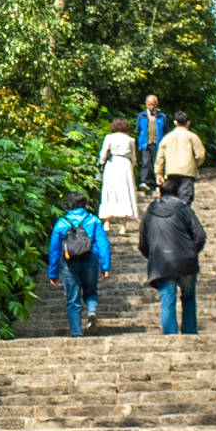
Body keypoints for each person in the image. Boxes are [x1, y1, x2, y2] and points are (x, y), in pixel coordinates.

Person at [139, 178, 207, 335]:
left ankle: (170, 335)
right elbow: (200, 235)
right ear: (177, 193)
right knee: (188, 298)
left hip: (161, 262)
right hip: (186, 261)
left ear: (160, 193)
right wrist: (191, 251)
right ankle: (189, 332)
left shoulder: (150, 212)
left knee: (167, 299)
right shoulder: (184, 209)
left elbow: (143, 241)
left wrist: (153, 256)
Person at [48, 192, 111, 337]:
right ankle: (91, 311)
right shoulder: (93, 221)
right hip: (90, 259)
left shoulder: (61, 223)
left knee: (72, 298)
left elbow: (54, 249)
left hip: (69, 262)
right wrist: (105, 267)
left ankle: (76, 332)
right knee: (91, 291)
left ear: (69, 205)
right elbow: (103, 244)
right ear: (85, 204)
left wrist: (53, 273)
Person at [155, 111, 207, 204]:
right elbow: (200, 155)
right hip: (187, 172)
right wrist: (194, 164)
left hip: (171, 171)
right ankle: (183, 217)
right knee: (185, 199)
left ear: (175, 122)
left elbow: (160, 158)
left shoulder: (167, 137)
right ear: (188, 123)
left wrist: (158, 173)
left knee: (170, 199)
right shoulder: (192, 137)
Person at [97, 118, 138, 219]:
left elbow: (103, 154)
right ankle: (124, 224)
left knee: (109, 191)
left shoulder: (109, 138)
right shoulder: (130, 140)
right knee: (125, 192)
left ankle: (107, 221)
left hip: (112, 164)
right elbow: (133, 157)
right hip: (125, 165)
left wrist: (102, 163)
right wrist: (131, 166)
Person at [135, 94, 167, 189]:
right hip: (145, 143)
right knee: (145, 163)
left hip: (158, 143)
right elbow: (138, 129)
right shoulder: (141, 116)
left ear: (157, 104)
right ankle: (144, 182)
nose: (151, 107)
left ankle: (159, 183)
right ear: (146, 104)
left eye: (153, 104)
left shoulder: (162, 116)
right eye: (149, 104)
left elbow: (165, 130)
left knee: (158, 163)